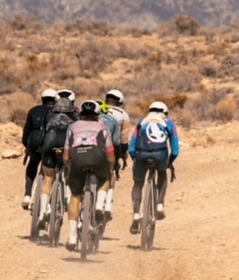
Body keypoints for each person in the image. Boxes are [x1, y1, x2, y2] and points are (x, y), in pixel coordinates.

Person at [62, 99, 115, 251]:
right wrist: (109, 169)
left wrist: (70, 168)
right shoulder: (103, 127)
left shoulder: (72, 127)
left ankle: (72, 237)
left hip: (77, 161)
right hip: (98, 160)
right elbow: (110, 156)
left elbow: (66, 156)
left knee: (75, 196)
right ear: (98, 114)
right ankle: (99, 205)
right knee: (105, 179)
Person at [128, 99, 179, 234]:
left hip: (141, 155)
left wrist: (136, 160)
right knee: (162, 173)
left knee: (138, 183)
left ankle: (135, 214)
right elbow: (175, 150)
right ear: (165, 113)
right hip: (160, 155)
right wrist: (170, 162)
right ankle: (160, 205)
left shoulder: (141, 122)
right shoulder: (169, 123)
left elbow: (131, 148)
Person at [36, 95, 79, 228]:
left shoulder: (49, 116)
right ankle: (67, 198)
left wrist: (40, 149)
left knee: (48, 176)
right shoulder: (75, 118)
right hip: (67, 145)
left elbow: (41, 135)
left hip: (51, 141)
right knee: (70, 172)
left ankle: (43, 212)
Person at [20, 87, 58, 209]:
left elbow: (26, 130)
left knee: (32, 163)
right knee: (51, 169)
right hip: (48, 140)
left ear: (42, 99)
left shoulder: (33, 110)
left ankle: (27, 194)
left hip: (33, 139)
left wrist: (27, 146)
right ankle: (47, 199)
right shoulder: (56, 112)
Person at [101, 89, 132, 219]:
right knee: (111, 172)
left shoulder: (98, 108)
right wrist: (123, 155)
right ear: (120, 102)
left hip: (90, 142)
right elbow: (123, 139)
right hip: (111, 146)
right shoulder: (123, 114)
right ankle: (108, 204)